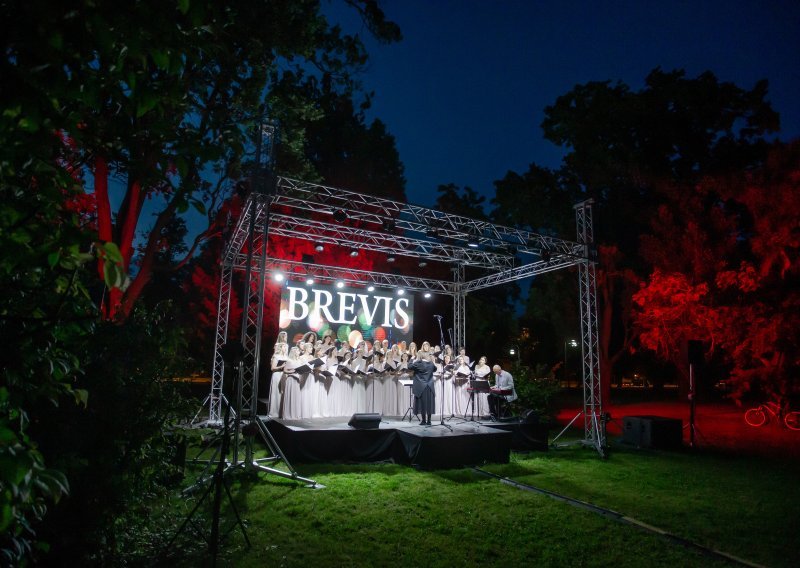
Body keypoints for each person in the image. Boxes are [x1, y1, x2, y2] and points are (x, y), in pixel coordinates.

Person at [409, 352, 436, 425]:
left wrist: (411, 359)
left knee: (422, 404)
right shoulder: (431, 363)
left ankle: (424, 421)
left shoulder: (418, 363)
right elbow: (435, 369)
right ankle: (429, 421)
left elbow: (409, 366)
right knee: (429, 404)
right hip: (430, 386)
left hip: (421, 387)